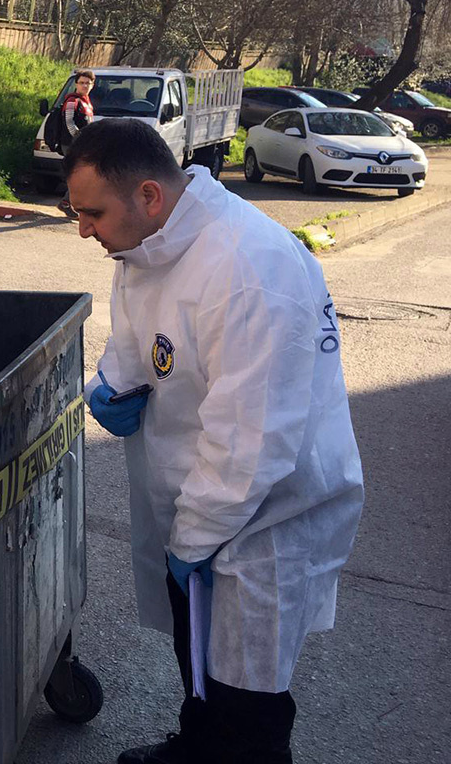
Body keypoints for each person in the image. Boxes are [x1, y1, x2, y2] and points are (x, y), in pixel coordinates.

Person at [65, 119, 365, 764]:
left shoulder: (247, 267)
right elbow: (141, 333)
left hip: (265, 515)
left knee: (246, 687)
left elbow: (251, 441)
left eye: (91, 213)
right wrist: (115, 382)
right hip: (197, 495)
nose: (83, 229)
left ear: (148, 193)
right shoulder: (149, 241)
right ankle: (194, 746)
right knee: (197, 653)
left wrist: (196, 533)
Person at [56, 69, 95, 220]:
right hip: (72, 144)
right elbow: (69, 123)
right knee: (80, 175)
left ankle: (67, 202)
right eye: (82, 83)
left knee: (81, 175)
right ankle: (66, 202)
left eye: (88, 83)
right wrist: (80, 139)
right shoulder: (73, 100)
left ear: (92, 85)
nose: (85, 86)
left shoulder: (86, 102)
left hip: (82, 145)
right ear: (76, 84)